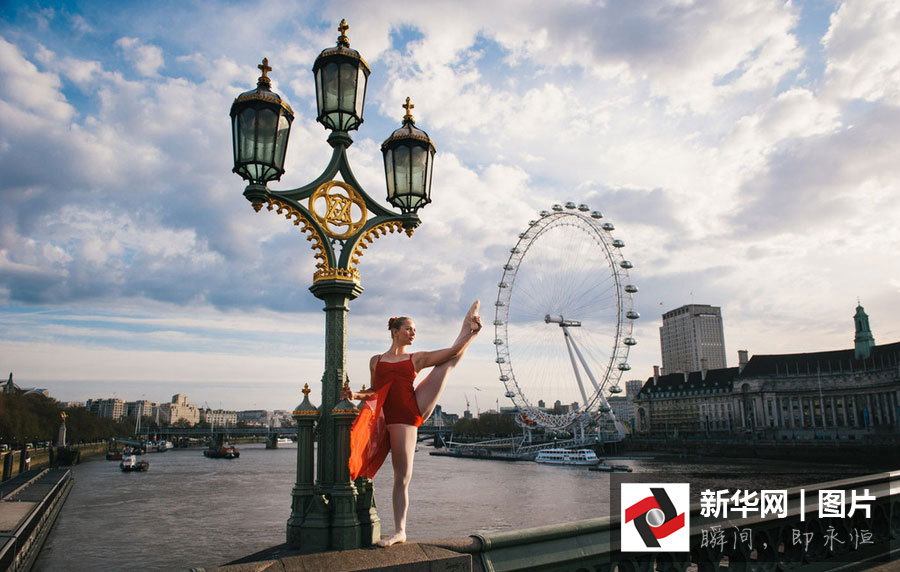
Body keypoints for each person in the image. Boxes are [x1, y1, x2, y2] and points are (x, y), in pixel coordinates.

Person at [343, 301, 482, 547]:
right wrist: (355, 395)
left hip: (410, 413)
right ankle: (400, 531)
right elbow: (374, 391)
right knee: (401, 477)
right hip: (393, 418)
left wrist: (472, 333)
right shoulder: (376, 361)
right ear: (395, 331)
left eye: (414, 329)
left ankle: (400, 531)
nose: (413, 333)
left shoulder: (416, 359)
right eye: (409, 328)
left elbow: (451, 352)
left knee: (448, 362)